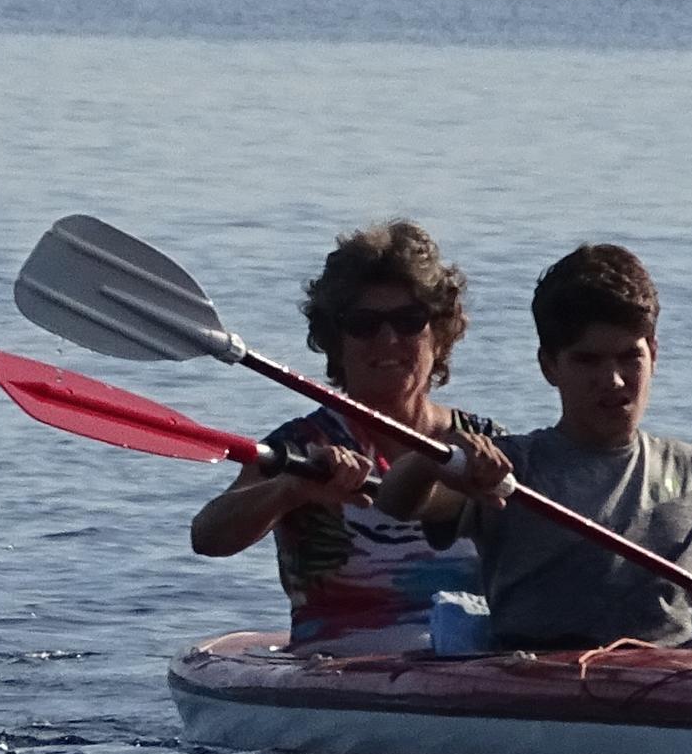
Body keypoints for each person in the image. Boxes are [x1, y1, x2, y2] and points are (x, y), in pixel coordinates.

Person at [393, 242, 692, 654]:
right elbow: (397, 500)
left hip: (665, 683)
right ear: (550, 366)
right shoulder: (510, 470)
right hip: (534, 680)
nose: (613, 381)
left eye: (630, 357)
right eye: (588, 360)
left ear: (655, 354)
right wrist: (438, 456)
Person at [189, 221, 504, 650]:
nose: (388, 339)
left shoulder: (487, 445)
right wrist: (290, 490)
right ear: (335, 340)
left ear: (440, 333)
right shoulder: (299, 447)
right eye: (364, 324)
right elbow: (207, 536)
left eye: (409, 321)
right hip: (337, 671)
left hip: (472, 672)